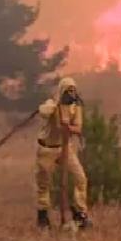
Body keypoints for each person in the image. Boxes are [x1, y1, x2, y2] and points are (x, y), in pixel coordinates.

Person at [35, 77, 91, 229]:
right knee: (44, 184)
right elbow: (43, 112)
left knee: (80, 178)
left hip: (65, 147)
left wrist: (68, 128)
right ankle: (43, 217)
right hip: (47, 148)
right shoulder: (52, 104)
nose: (71, 93)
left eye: (73, 90)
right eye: (68, 90)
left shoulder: (76, 107)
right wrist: (54, 106)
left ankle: (80, 213)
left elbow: (77, 128)